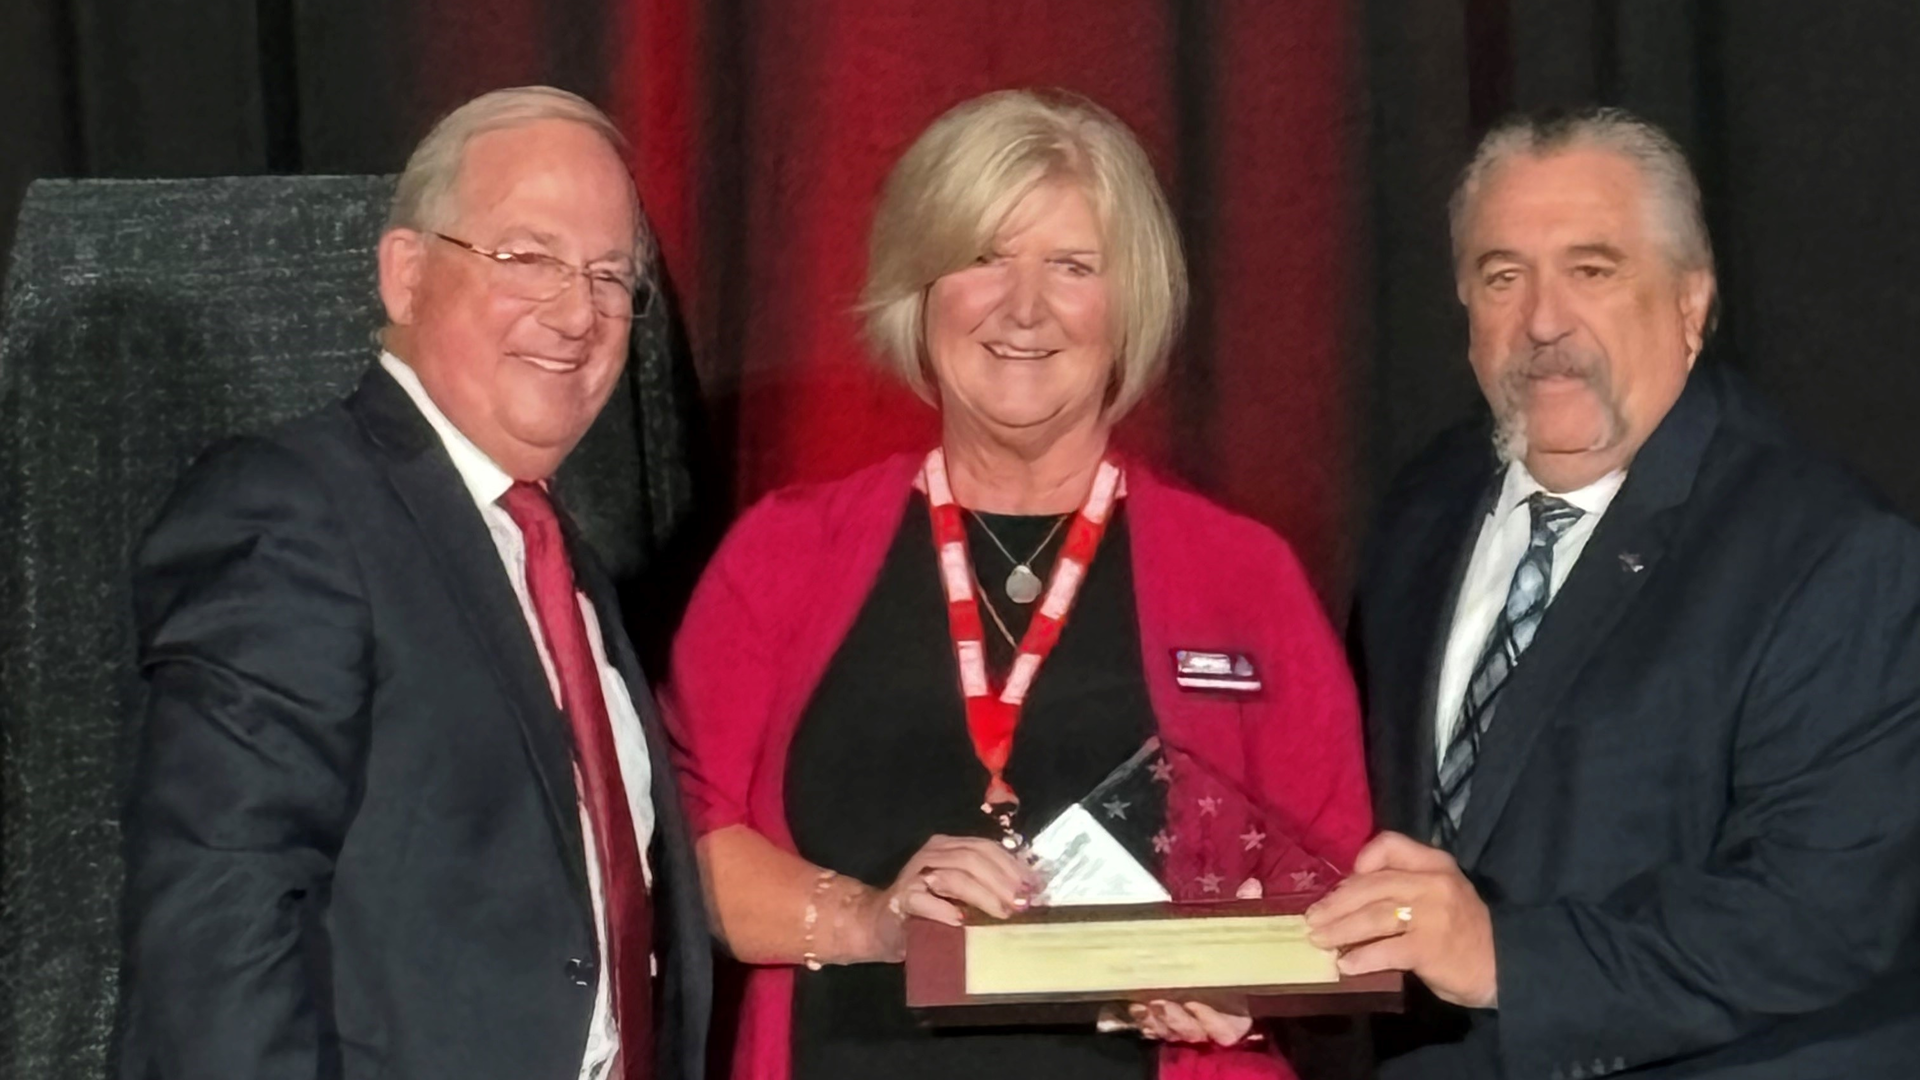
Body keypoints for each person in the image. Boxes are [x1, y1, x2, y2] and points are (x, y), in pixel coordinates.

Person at [664, 88, 1371, 1080]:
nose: (1024, 307)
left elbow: (1337, 905)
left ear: (1131, 304)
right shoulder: (782, 555)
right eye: (984, 257)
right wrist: (870, 919)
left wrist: (1242, 986)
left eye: (1073, 267)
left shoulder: (1244, 576)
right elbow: (683, 844)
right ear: (921, 289)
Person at [118, 87, 709, 1080]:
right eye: (528, 257)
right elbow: (216, 921)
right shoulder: (296, 510)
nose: (578, 312)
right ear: (406, 273)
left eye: (610, 275)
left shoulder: (561, 562)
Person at [1316, 107, 1920, 1079]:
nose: (1544, 321)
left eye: (1592, 271)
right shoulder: (1425, 505)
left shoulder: (1836, 556)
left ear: (1692, 301)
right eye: (1502, 276)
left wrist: (1504, 958)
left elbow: (1820, 917)